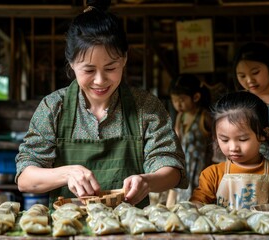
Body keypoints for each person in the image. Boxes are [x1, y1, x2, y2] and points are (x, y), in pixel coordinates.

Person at [15, 0, 188, 209]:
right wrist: (67, 173)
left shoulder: (146, 106)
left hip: (130, 229)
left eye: (110, 68)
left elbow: (172, 169)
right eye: (88, 70)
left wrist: (147, 181)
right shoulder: (53, 108)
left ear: (124, 59)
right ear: (72, 64)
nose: (100, 80)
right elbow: (25, 178)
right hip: (69, 229)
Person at [190, 91, 269, 210]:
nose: (233, 148)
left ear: (264, 134)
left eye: (243, 139)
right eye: (224, 139)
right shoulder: (212, 175)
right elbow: (196, 205)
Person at [233, 42, 269, 169]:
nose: (249, 80)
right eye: (242, 76)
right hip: (249, 178)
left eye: (255, 72)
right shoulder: (239, 102)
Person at [168, 74, 212, 204]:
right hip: (185, 169)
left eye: (181, 100)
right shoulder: (180, 117)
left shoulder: (205, 117)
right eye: (174, 100)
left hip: (202, 169)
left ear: (196, 97)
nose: (177, 104)